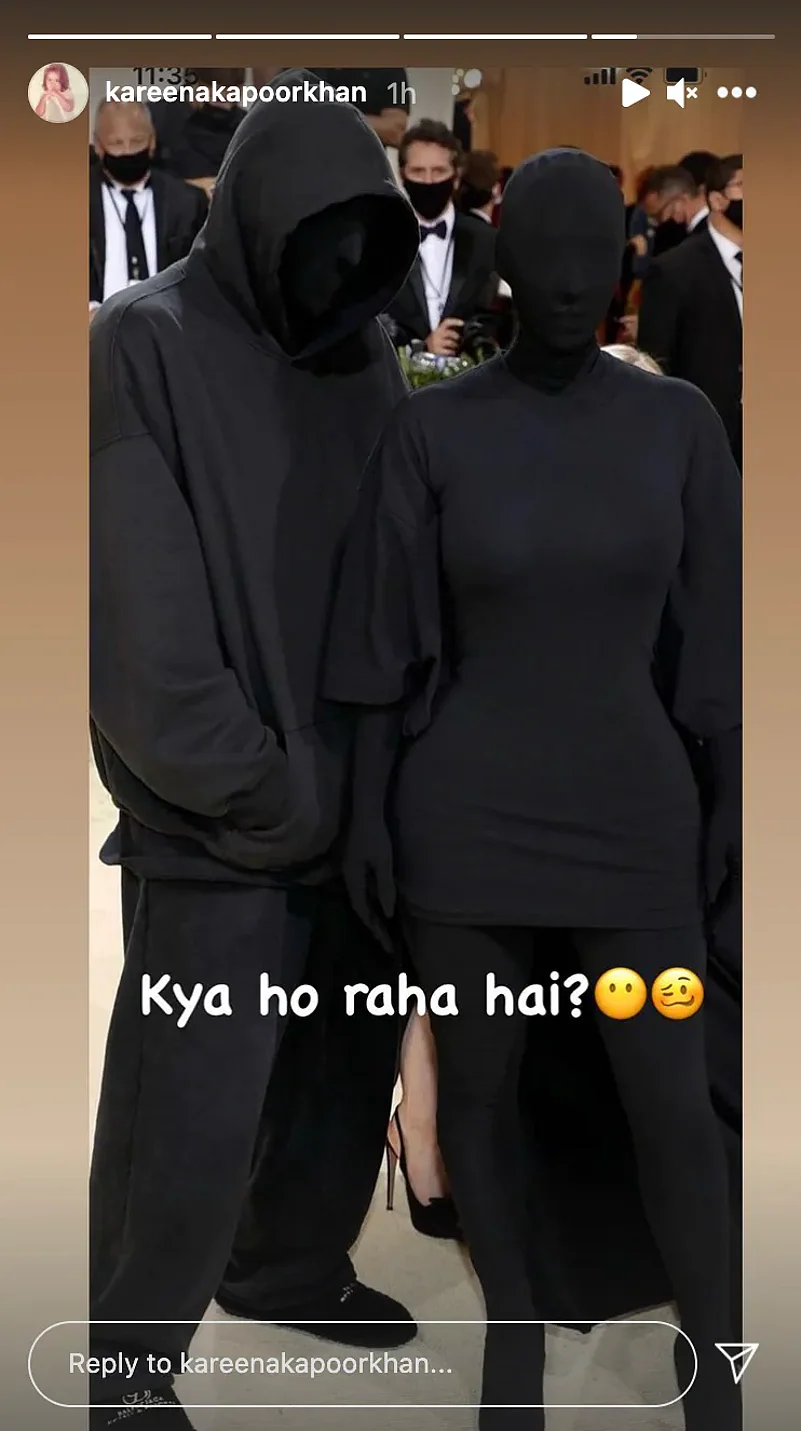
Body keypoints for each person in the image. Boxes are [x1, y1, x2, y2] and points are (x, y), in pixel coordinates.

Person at [324, 148, 742, 1430]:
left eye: (590, 255)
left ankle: (719, 1363)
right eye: (542, 254)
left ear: (621, 262)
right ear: (503, 265)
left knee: (673, 1105)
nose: (566, 280)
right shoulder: (434, 430)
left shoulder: (679, 424)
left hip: (637, 824)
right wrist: (367, 814)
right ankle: (512, 1343)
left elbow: (720, 638)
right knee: (481, 1097)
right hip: (466, 828)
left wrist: (735, 799)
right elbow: (382, 647)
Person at [88, 73, 421, 1429]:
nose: (339, 268)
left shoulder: (363, 348)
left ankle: (286, 1262)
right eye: (317, 236)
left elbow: (396, 568)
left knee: (339, 1074)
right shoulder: (139, 342)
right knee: (187, 1112)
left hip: (361, 804)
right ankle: (124, 1365)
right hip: (217, 823)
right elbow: (140, 633)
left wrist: (385, 781)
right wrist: (261, 785)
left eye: (364, 240)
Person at [638, 153, 744, 468]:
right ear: (717, 199)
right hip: (709, 440)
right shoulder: (674, 270)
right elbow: (654, 366)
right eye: (744, 185)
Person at [384, 120, 498, 357]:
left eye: (438, 171)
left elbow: (494, 318)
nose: (428, 181)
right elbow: (373, 326)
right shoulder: (381, 241)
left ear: (456, 177)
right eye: (418, 171)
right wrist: (419, 348)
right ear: (402, 175)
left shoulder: (486, 241)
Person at [89, 101, 208, 316]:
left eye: (137, 141)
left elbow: (202, 279)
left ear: (152, 141)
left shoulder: (187, 203)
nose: (127, 151)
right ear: (98, 146)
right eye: (116, 143)